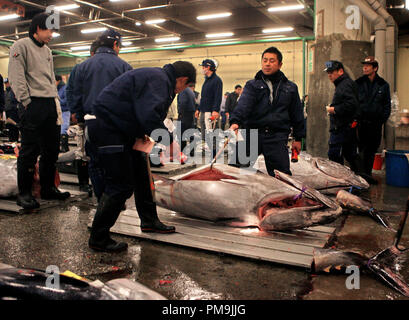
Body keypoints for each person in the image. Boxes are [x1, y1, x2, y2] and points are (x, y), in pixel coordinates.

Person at [88, 61, 196, 252]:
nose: (181, 91)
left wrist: (141, 133)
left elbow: (137, 110)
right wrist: (169, 141)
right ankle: (99, 237)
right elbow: (148, 115)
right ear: (183, 80)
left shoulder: (159, 78)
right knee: (120, 184)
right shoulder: (160, 80)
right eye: (185, 87)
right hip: (109, 129)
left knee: (142, 176)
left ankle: (149, 221)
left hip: (123, 130)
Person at [8, 12, 70, 209]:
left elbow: (50, 78)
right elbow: (17, 76)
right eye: (49, 30)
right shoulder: (21, 46)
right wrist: (25, 101)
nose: (52, 34)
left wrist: (55, 102)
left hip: (50, 103)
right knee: (29, 150)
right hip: (32, 103)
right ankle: (24, 193)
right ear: (37, 28)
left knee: (51, 150)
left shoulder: (48, 51)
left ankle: (47, 188)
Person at [71, 29, 132, 202]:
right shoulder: (124, 66)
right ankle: (113, 201)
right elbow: (129, 97)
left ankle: (101, 199)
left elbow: (76, 94)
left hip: (92, 122)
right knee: (115, 163)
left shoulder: (82, 66)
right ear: (115, 44)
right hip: (116, 124)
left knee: (94, 162)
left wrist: (79, 117)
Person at [229, 46, 304, 176]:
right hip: (252, 134)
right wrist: (235, 121)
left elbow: (297, 114)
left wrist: (298, 138)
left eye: (272, 61)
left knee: (282, 177)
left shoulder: (290, 87)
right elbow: (244, 104)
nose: (267, 64)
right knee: (234, 174)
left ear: (280, 64)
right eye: (265, 60)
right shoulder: (252, 85)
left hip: (276, 136)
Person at [66, 41, 100, 194]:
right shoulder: (82, 68)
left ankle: (86, 184)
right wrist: (75, 112)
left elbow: (71, 91)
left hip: (85, 117)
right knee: (83, 151)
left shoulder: (80, 68)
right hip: (97, 118)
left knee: (83, 151)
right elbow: (72, 90)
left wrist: (75, 112)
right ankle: (86, 183)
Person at [355, 56, 391, 184]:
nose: (364, 67)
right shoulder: (358, 83)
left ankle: (367, 175)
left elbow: (387, 105)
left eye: (368, 66)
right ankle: (361, 176)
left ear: (375, 68)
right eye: (364, 65)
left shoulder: (383, 85)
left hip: (375, 125)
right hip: (361, 124)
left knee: (371, 150)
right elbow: (354, 102)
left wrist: (381, 120)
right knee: (360, 150)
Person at [324, 60, 361, 173]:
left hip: (342, 128)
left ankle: (343, 181)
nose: (329, 75)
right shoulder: (343, 84)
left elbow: (351, 105)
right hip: (345, 127)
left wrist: (334, 109)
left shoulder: (344, 84)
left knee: (335, 156)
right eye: (328, 73)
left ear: (340, 71)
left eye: (332, 72)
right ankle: (357, 180)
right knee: (350, 155)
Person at [195, 59, 223, 157]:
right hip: (203, 111)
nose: (202, 69)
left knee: (211, 133)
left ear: (208, 67)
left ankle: (215, 154)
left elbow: (218, 96)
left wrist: (215, 110)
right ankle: (210, 151)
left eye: (203, 67)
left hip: (210, 112)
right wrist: (198, 109)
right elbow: (204, 97)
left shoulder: (217, 80)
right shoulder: (206, 81)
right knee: (204, 133)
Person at [177, 82, 196, 155]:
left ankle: (182, 151)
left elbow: (182, 103)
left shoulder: (183, 90)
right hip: (190, 114)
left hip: (184, 114)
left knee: (181, 134)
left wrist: (180, 113)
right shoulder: (190, 91)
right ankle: (192, 151)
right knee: (190, 133)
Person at [55, 75, 69, 153]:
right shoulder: (58, 88)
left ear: (58, 81)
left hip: (65, 111)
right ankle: (62, 147)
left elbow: (66, 101)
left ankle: (65, 147)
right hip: (59, 111)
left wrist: (57, 101)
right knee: (60, 129)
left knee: (64, 129)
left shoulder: (65, 88)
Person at [4, 78, 20, 142]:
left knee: (14, 127)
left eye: (7, 83)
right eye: (5, 83)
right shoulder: (5, 92)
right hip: (7, 111)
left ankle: (15, 140)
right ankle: (11, 140)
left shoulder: (13, 91)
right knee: (10, 127)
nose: (6, 84)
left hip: (14, 111)